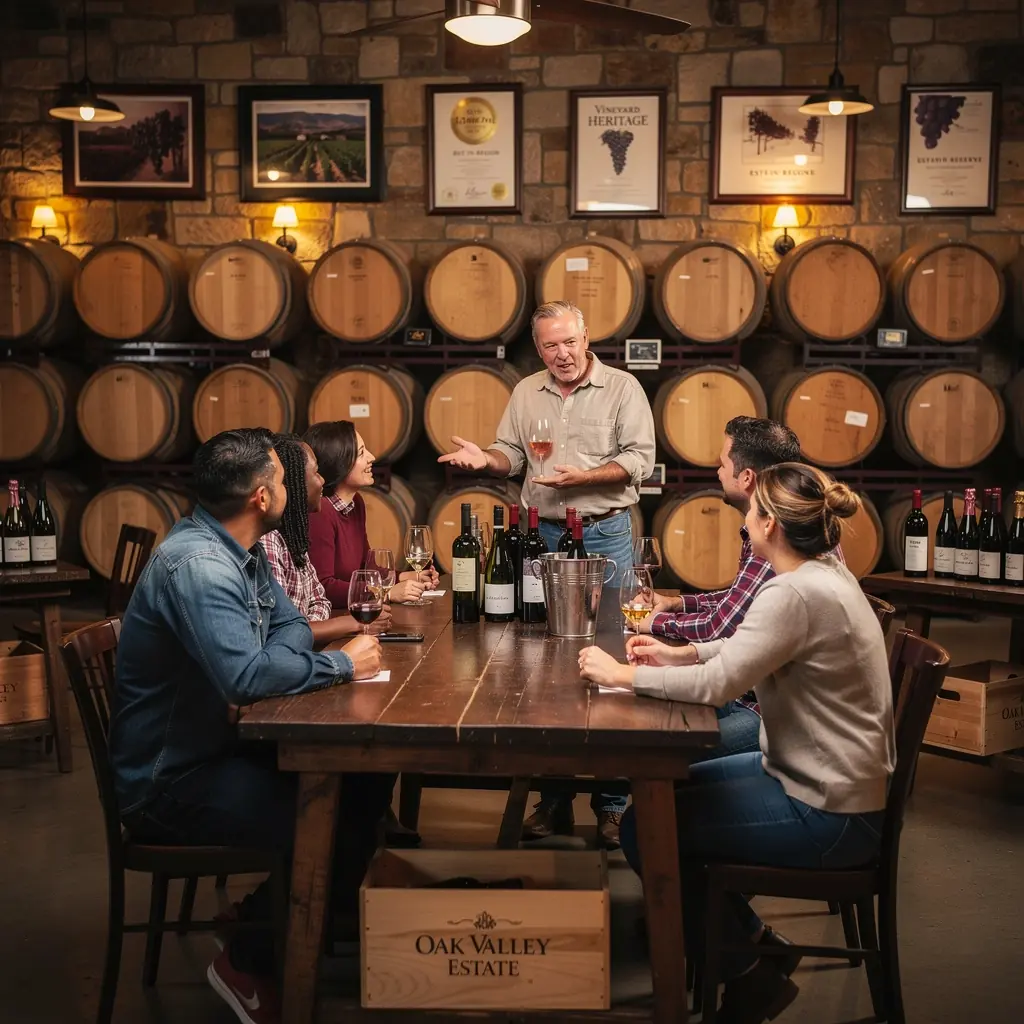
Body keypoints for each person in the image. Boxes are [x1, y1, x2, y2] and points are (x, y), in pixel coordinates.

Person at [578, 463, 894, 1024]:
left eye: (752, 513)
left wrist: (622, 675)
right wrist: (679, 654)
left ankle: (750, 975)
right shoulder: (821, 573)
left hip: (831, 812)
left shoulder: (795, 592)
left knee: (647, 828)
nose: (744, 522)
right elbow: (747, 646)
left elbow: (719, 686)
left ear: (770, 523)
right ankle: (756, 948)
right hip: (818, 779)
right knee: (658, 806)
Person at [109, 429, 389, 1024]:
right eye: (284, 479)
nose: (295, 487)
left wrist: (276, 659)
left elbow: (289, 628)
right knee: (328, 816)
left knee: (365, 781)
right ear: (262, 497)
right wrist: (342, 664)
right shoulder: (200, 566)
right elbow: (246, 677)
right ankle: (248, 957)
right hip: (169, 782)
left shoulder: (243, 548)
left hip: (216, 749)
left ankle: (291, 922)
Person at [439, 299, 656, 850]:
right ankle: (554, 798)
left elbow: (640, 460)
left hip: (602, 533)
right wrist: (485, 459)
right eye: (550, 345)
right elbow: (511, 455)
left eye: (569, 341)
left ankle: (611, 805)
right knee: (541, 667)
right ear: (538, 349)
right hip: (542, 537)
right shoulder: (526, 391)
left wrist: (586, 478)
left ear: (587, 339)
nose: (562, 353)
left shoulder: (623, 389)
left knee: (610, 660)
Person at [263, 433, 418, 849]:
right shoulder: (268, 544)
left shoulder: (290, 537)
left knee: (381, 722)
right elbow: (275, 640)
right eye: (315, 475)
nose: (323, 484)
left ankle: (363, 840)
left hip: (306, 660)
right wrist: (346, 637)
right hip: (285, 691)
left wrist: (339, 625)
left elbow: (313, 600)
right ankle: (343, 858)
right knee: (373, 737)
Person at [262, 432, 393, 644]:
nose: (322, 479)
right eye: (316, 473)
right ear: (294, 483)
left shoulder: (295, 535)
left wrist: (306, 629)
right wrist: (354, 623)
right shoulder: (269, 542)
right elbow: (280, 633)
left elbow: (320, 601)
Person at [304, 420, 439, 608]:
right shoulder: (320, 513)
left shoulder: (355, 503)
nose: (372, 457)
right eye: (361, 453)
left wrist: (406, 576)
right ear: (339, 463)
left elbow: (366, 567)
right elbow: (323, 586)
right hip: (334, 618)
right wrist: (386, 593)